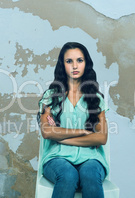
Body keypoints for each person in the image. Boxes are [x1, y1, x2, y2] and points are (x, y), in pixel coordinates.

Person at [37, 42, 109, 198]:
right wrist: (83, 132)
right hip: (57, 158)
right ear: (62, 65)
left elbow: (101, 137)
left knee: (90, 174)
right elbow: (47, 132)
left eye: (80, 60)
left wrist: (63, 138)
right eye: (69, 61)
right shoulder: (50, 97)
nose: (75, 66)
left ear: (86, 64)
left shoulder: (96, 99)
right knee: (68, 175)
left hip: (91, 158)